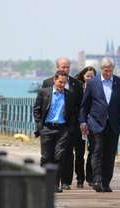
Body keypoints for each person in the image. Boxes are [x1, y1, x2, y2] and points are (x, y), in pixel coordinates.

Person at [80, 57, 120, 192]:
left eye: (110, 71)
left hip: (114, 124)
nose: (108, 73)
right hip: (96, 123)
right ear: (101, 69)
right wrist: (83, 121)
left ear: (113, 70)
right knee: (97, 150)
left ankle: (106, 181)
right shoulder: (92, 83)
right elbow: (84, 105)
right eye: (105, 71)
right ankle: (96, 179)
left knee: (110, 154)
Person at [42, 57, 83, 190]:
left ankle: (65, 181)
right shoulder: (47, 82)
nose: (65, 69)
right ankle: (48, 180)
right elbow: (42, 105)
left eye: (67, 67)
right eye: (63, 67)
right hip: (49, 126)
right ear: (57, 68)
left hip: (69, 125)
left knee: (67, 154)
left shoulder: (76, 83)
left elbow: (80, 105)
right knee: (48, 155)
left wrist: (77, 123)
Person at [34, 71, 74, 193]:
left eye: (64, 82)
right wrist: (40, 127)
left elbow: (72, 112)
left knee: (59, 157)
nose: (62, 84)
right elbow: (37, 110)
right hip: (47, 128)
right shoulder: (44, 92)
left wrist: (69, 128)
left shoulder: (69, 95)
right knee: (46, 157)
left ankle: (55, 184)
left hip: (62, 129)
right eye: (60, 82)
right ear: (54, 81)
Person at [74, 66, 97, 185]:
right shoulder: (78, 88)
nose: (89, 78)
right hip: (79, 124)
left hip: (93, 124)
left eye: (92, 76)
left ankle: (90, 177)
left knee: (93, 151)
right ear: (83, 76)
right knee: (79, 153)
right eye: (87, 76)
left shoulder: (98, 88)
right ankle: (80, 178)